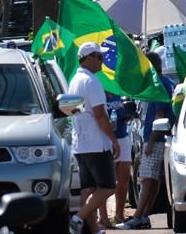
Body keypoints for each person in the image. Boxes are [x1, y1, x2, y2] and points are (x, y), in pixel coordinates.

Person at [118, 53, 175, 230]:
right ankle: (143, 216)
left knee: (147, 180)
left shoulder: (158, 85)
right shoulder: (165, 83)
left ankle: (137, 216)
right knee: (153, 181)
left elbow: (160, 115)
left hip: (155, 139)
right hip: (156, 138)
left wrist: (150, 143)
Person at [68, 42, 120, 234]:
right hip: (96, 143)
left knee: (88, 188)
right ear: (88, 58)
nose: (102, 60)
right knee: (108, 187)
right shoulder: (91, 81)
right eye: (99, 56)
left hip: (81, 143)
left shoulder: (74, 81)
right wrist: (113, 139)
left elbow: (74, 112)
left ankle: (91, 229)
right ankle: (78, 218)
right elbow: (99, 115)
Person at [97, 91, 132, 228]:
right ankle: (103, 218)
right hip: (106, 139)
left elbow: (125, 111)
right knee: (105, 181)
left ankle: (119, 215)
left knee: (123, 179)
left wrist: (126, 116)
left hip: (123, 137)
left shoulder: (119, 91)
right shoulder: (98, 93)